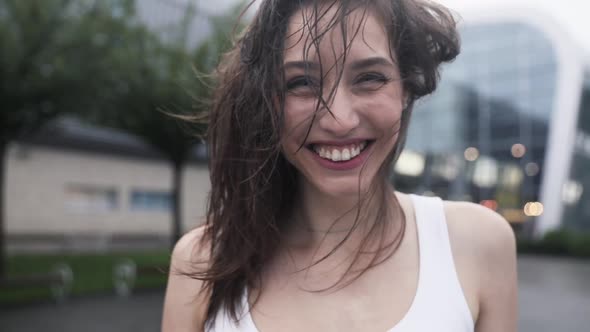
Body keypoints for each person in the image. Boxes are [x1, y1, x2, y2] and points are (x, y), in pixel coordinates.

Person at [162, 0, 518, 331]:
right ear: (268, 101)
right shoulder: (201, 262)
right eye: (301, 83)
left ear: (406, 88)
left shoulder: (477, 244)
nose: (339, 119)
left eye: (369, 78)